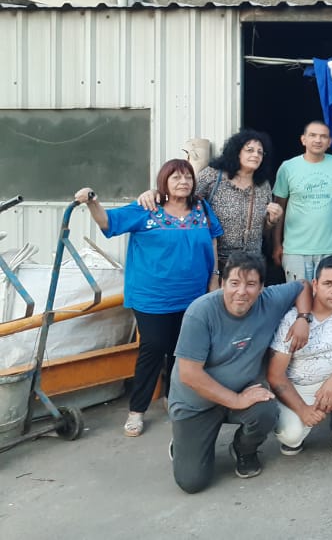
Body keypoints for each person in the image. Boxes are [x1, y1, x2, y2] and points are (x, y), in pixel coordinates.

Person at [74, 159, 223, 439]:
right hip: (152, 296)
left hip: (193, 294)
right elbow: (109, 222)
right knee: (153, 348)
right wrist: (92, 200)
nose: (184, 182)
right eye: (176, 177)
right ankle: (137, 410)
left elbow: (214, 239)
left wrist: (214, 276)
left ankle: (173, 397)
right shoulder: (147, 208)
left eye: (188, 177)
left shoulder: (202, 208)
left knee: (183, 350)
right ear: (163, 182)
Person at [168, 252, 313, 493]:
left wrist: (303, 318)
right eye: (234, 283)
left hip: (243, 391)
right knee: (192, 482)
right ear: (223, 283)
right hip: (195, 403)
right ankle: (185, 442)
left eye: (251, 284)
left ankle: (243, 450)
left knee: (266, 410)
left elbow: (303, 286)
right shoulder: (200, 312)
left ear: (262, 287)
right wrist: (235, 400)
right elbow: (190, 374)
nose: (242, 291)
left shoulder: (270, 300)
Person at [267, 255, 332, 463]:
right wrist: (303, 410)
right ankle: (298, 427)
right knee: (291, 437)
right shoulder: (292, 318)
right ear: (315, 284)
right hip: (298, 387)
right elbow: (275, 375)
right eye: (328, 284)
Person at [138, 129, 282, 275]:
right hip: (214, 263)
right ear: (237, 151)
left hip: (251, 266)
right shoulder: (213, 175)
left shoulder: (263, 186)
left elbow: (262, 230)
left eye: (260, 152)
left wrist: (271, 221)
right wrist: (156, 193)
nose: (255, 155)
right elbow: (182, 197)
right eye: (250, 150)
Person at [271, 120, 332, 283]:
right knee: (299, 299)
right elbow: (278, 209)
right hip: (295, 249)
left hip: (330, 247)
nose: (318, 140)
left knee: (327, 299)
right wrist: (277, 244)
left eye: (323, 136)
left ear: (329, 142)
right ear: (303, 139)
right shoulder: (288, 167)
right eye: (313, 135)